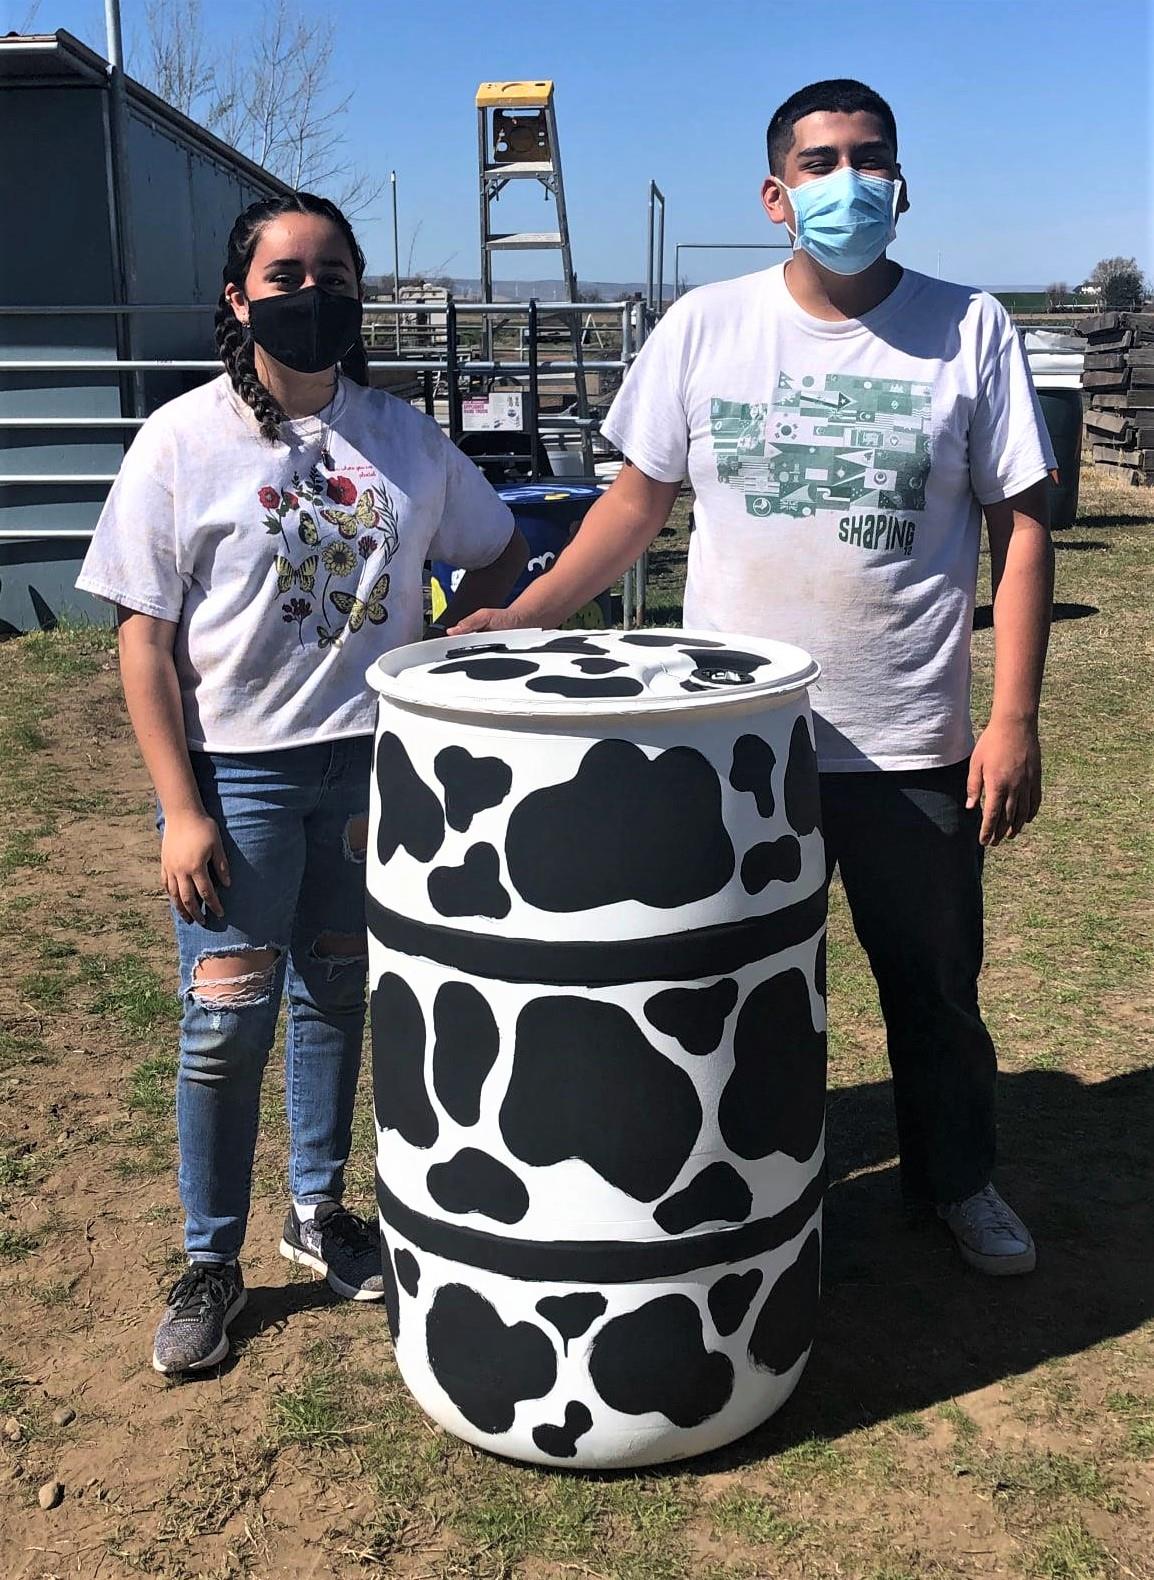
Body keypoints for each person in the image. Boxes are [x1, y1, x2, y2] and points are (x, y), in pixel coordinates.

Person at [450, 79, 1056, 1276]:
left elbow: (1021, 526)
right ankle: (744, 1192)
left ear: (899, 184)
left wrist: (1012, 716)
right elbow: (634, 505)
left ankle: (957, 1180)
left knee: (933, 984)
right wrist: (522, 617)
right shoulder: (703, 327)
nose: (848, 182)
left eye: (869, 158)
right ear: (775, 196)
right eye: (819, 163)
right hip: (732, 746)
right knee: (725, 984)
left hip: (908, 742)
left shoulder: (968, 327)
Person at [77, 192, 527, 1373]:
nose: (311, 293)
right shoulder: (181, 441)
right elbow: (142, 638)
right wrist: (182, 807)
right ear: (238, 298)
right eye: (285, 275)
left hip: (375, 770)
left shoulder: (404, 438)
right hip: (240, 781)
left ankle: (318, 1208)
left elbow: (498, 548)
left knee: (337, 994)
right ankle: (210, 1256)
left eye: (333, 273)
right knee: (225, 1021)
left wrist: (466, 635)